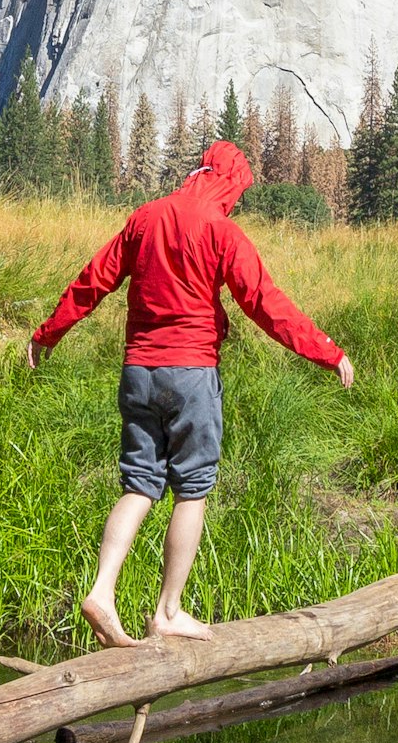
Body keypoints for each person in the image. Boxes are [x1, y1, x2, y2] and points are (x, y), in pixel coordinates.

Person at [27, 138, 352, 645]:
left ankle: (102, 590)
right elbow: (266, 304)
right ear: (229, 183)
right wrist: (328, 351)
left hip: (138, 370)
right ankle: (167, 612)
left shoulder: (145, 217)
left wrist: (48, 331)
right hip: (192, 371)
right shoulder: (222, 231)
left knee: (139, 484)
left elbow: (95, 280)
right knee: (192, 489)